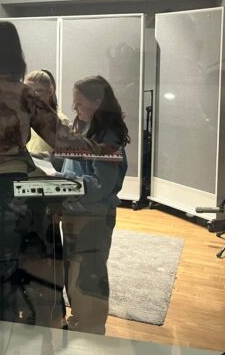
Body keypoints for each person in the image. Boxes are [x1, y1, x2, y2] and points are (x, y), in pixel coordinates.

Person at [0, 22, 110, 322]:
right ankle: (5, 315)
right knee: (8, 257)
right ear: (16, 56)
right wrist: (103, 149)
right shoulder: (24, 94)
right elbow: (62, 138)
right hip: (9, 183)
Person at [60, 75, 129, 335]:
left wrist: (64, 181)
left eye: (79, 102)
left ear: (97, 101)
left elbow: (102, 185)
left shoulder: (107, 136)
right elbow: (73, 163)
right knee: (76, 272)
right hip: (77, 212)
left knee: (88, 273)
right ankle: (81, 322)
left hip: (94, 216)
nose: (74, 108)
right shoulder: (85, 127)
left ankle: (90, 330)